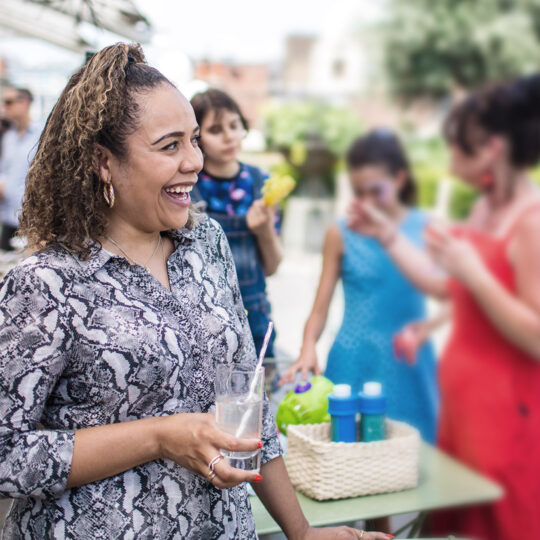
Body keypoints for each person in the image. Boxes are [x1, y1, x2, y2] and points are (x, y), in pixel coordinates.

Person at [0, 43, 390, 540]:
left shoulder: (206, 243)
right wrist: (159, 437)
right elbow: (6, 453)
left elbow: (248, 400)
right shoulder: (44, 283)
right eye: (169, 146)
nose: (195, 162)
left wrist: (302, 533)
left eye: (194, 140)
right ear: (103, 162)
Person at [347, 75, 540, 540]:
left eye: (458, 149)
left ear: (492, 148)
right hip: (465, 400)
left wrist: (474, 272)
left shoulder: (532, 221)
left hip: (509, 409)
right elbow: (444, 288)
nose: (450, 161)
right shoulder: (482, 210)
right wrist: (388, 236)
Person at [280, 130, 438, 444]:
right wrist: (308, 347)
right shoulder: (341, 233)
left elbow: (450, 296)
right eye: (358, 192)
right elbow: (319, 308)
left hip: (410, 361)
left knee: (419, 459)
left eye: (376, 191)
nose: (366, 203)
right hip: (353, 361)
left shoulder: (427, 228)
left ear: (400, 179)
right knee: (350, 461)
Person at [190, 89, 282, 359]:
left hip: (254, 314)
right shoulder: (188, 187)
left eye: (234, 125)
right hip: (204, 317)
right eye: (216, 129)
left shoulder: (260, 183)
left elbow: (273, 266)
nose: (229, 136)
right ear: (198, 138)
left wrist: (264, 231)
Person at [0, 87, 41, 250]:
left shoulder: (42, 134)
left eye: (8, 102)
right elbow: (5, 170)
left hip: (32, 220)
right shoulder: (9, 136)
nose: (5, 107)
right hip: (9, 217)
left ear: (24, 102)